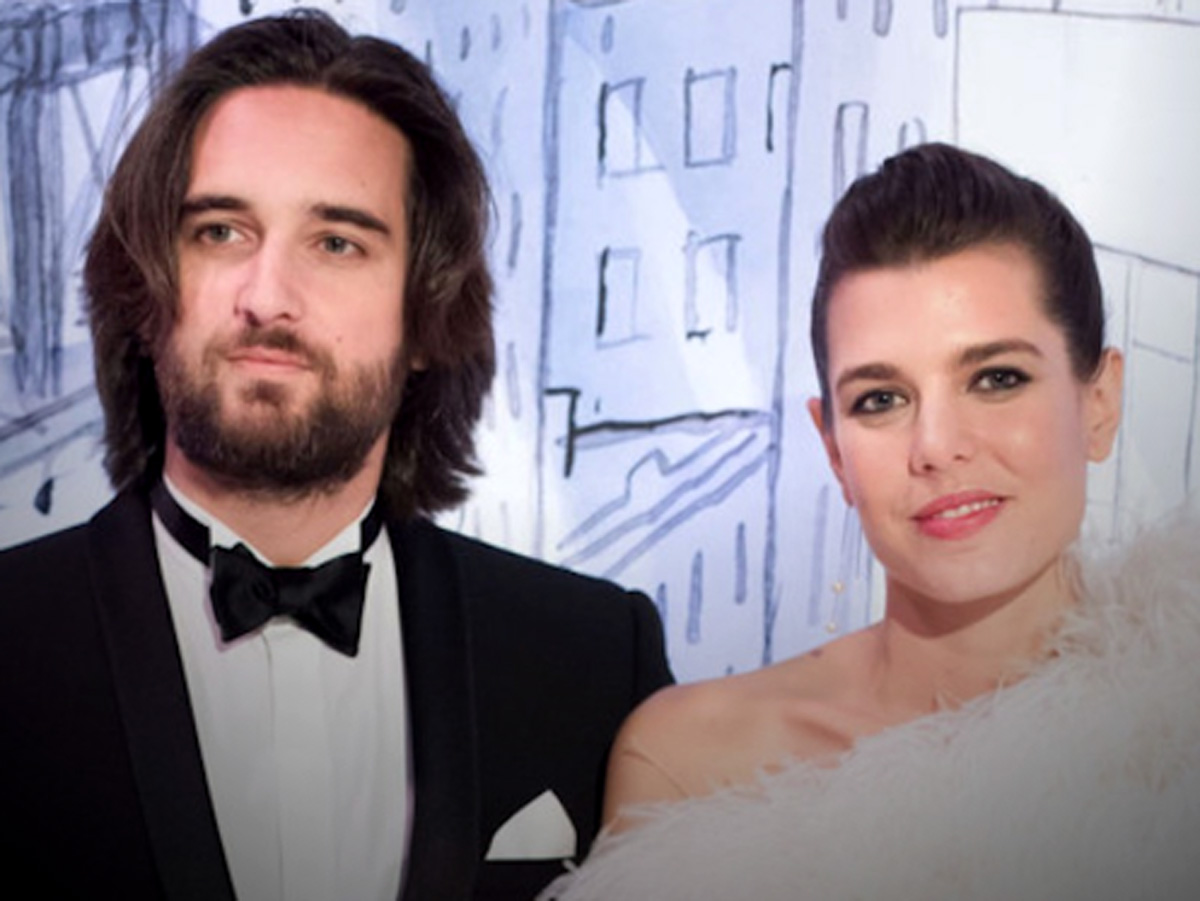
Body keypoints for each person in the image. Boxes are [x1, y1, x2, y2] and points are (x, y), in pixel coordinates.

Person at [0, 10, 672, 900]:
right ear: (145, 289)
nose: (267, 296)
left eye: (337, 243)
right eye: (221, 231)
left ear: (426, 318)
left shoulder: (594, 657)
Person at [542, 143, 1200, 899]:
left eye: (996, 378)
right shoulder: (694, 768)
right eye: (880, 400)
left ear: (1100, 403)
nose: (937, 447)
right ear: (832, 448)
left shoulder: (1179, 718)